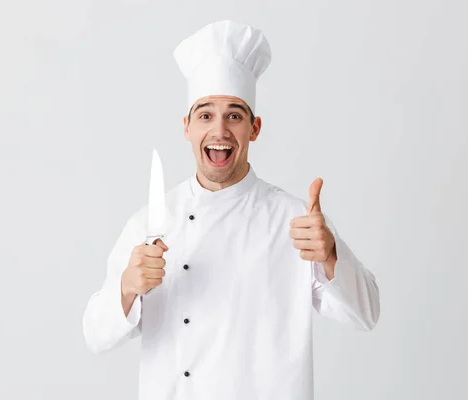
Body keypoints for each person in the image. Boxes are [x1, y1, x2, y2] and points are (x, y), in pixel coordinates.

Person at [82, 19, 380, 400]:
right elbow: (95, 336)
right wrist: (127, 289)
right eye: (205, 115)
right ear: (187, 127)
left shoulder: (297, 223)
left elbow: (366, 314)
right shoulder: (151, 222)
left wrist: (332, 256)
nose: (219, 130)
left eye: (234, 116)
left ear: (254, 128)